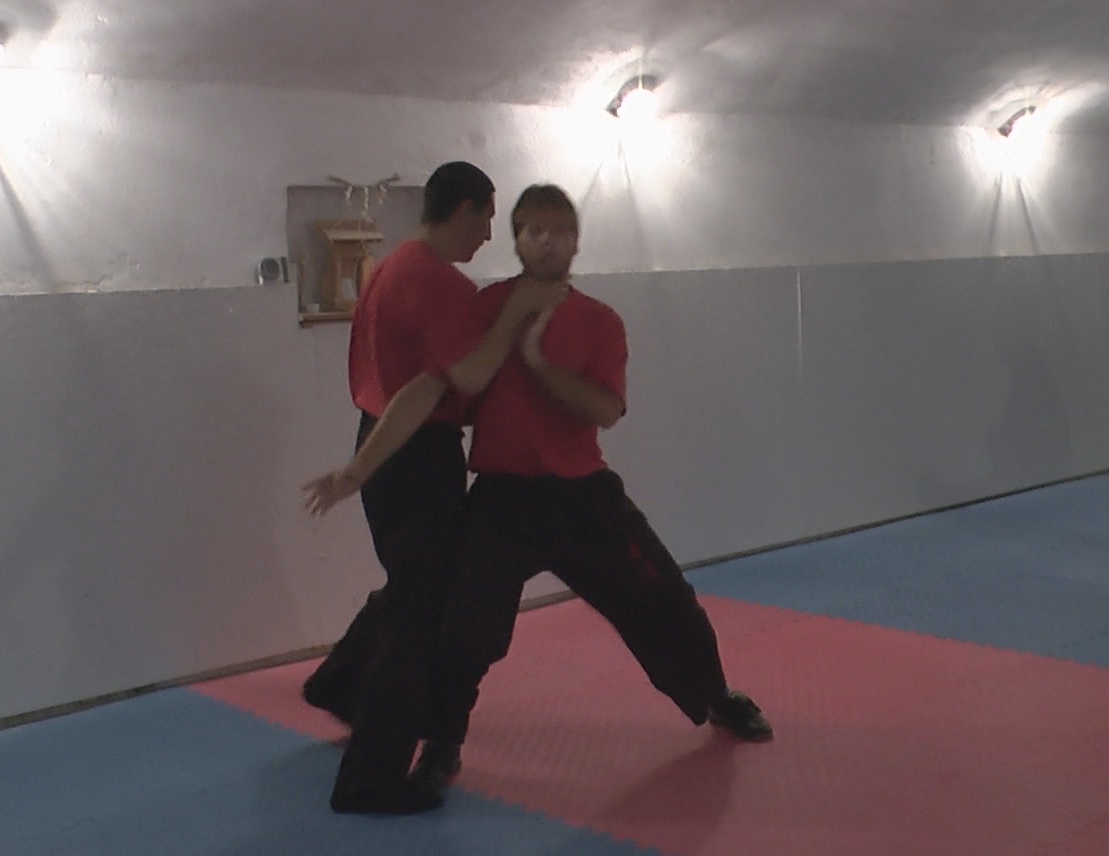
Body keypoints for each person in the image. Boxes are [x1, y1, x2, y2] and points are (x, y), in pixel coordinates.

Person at [305, 184, 771, 811]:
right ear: (517, 240)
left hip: (583, 495)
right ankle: (442, 742)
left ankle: (715, 695)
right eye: (533, 230)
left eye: (560, 231)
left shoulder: (600, 320)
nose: (547, 242)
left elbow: (605, 409)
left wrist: (537, 362)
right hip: (501, 498)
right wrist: (358, 469)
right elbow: (435, 384)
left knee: (661, 594)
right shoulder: (485, 307)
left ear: (576, 243)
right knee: (461, 626)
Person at [301, 161, 567, 814]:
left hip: (383, 442)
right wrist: (515, 318)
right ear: (465, 210)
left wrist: (358, 469)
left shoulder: (389, 267)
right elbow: (461, 378)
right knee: (418, 619)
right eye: (488, 219)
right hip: (416, 454)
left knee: (412, 590)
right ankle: (370, 779)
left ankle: (340, 686)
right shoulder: (438, 281)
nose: (489, 235)